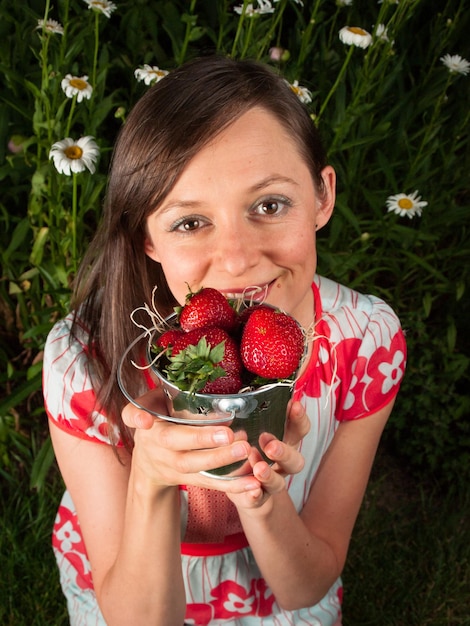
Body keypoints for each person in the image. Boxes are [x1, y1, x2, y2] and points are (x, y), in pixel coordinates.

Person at [43, 55, 407, 626]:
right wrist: (152, 478)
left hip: (280, 568)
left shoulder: (366, 344)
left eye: (269, 205)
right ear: (147, 236)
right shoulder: (85, 361)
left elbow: (303, 587)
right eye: (190, 222)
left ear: (321, 196)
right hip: (139, 576)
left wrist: (259, 495)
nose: (237, 261)